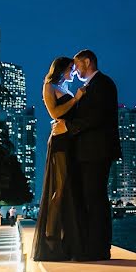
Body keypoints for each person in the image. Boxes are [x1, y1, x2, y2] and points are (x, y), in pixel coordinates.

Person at [53, 49, 121, 261]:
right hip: (87, 152)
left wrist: (68, 127)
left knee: (96, 198)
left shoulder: (103, 84)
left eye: (77, 64)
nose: (75, 69)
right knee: (88, 199)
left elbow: (98, 117)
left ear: (88, 61)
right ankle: (90, 246)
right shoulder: (89, 86)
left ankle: (99, 249)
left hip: (97, 151)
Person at [32, 57, 86, 261]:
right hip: (60, 141)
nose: (73, 72)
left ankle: (67, 237)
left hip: (70, 140)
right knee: (60, 188)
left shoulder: (66, 89)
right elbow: (54, 112)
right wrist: (76, 99)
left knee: (69, 188)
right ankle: (50, 238)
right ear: (62, 69)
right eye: (71, 69)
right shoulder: (49, 86)